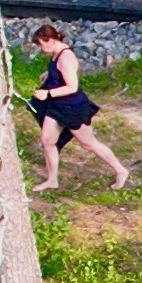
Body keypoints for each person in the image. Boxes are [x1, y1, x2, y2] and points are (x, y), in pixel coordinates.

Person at [27, 21, 131, 192]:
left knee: (89, 143)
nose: (40, 49)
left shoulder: (65, 57)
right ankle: (52, 179)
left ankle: (121, 170)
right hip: (56, 107)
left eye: (40, 44)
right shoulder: (56, 53)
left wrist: (48, 93)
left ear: (50, 40)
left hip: (72, 107)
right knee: (47, 140)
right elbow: (60, 72)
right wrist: (49, 74)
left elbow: (72, 87)